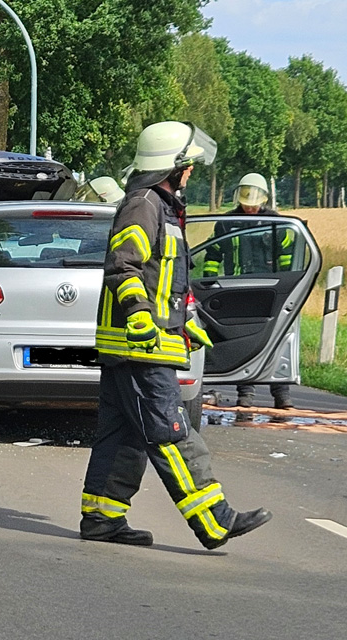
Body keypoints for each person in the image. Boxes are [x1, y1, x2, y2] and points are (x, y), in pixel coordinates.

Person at [79, 121, 272, 549]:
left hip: (140, 345)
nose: (191, 173)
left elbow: (164, 277)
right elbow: (124, 265)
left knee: (123, 435)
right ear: (173, 166)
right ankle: (214, 520)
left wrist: (185, 320)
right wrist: (140, 316)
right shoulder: (144, 205)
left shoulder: (162, 207)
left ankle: (101, 519)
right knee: (171, 431)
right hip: (140, 346)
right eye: (188, 165)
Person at [204, 173, 296, 409]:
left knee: (277, 338)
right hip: (238, 290)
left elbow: (287, 257)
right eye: (246, 202)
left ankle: (282, 395)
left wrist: (290, 286)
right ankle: (246, 394)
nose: (249, 208)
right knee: (243, 341)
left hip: (271, 291)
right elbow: (213, 255)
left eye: (253, 203)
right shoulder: (226, 222)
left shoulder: (276, 223)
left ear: (263, 199)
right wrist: (207, 284)